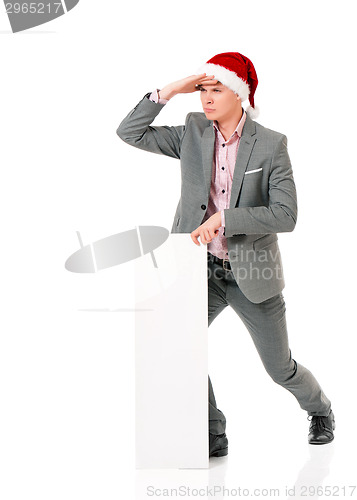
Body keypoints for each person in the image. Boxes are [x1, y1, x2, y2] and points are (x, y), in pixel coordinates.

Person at [116, 52, 335, 457]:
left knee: (279, 367)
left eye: (216, 89)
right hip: (199, 268)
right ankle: (214, 430)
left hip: (252, 270)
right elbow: (129, 132)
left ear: (240, 93)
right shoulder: (193, 132)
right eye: (202, 90)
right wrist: (169, 91)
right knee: (181, 346)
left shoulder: (271, 144)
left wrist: (225, 220)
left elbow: (286, 215)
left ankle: (320, 410)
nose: (206, 98)